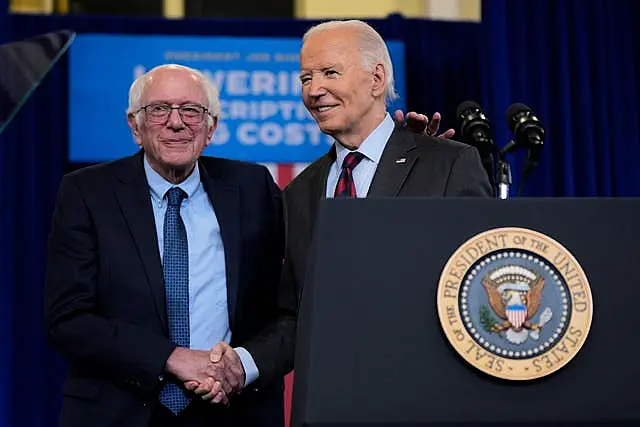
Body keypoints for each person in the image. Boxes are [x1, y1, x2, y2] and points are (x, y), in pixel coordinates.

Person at [194, 19, 493, 401]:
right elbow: (295, 316)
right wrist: (242, 363)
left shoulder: (448, 165)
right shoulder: (300, 192)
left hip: (427, 397)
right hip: (329, 400)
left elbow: (478, 288)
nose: (314, 90)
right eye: (305, 78)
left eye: (329, 73)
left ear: (377, 78)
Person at [43, 63, 286, 427]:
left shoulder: (252, 187)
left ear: (211, 128)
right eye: (159, 109)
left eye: (191, 110)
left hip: (233, 410)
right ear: (134, 125)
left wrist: (240, 365)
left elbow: (284, 308)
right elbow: (67, 319)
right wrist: (170, 357)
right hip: (119, 409)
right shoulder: (87, 193)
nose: (176, 122)